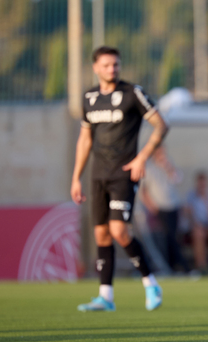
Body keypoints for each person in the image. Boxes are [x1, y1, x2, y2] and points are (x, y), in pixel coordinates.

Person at [71, 46, 169, 312]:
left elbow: (161, 124)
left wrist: (142, 157)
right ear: (95, 68)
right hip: (98, 174)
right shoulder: (89, 98)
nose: (112, 69)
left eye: (115, 64)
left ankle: (151, 283)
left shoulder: (132, 93)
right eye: (106, 65)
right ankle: (106, 296)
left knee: (118, 230)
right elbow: (85, 139)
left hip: (124, 174)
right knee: (101, 233)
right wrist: (76, 177)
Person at [139, 146, 186, 273]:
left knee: (174, 236)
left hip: (173, 206)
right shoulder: (149, 168)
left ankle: (176, 266)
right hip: (159, 208)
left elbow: (178, 179)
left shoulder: (168, 167)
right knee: (166, 237)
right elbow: (143, 190)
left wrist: (168, 166)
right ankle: (175, 266)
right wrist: (151, 206)